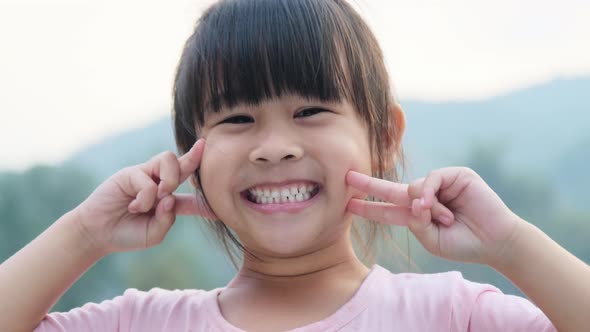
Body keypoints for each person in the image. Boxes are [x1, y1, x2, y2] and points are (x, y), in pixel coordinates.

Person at [1, 0, 588, 331]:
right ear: (190, 158)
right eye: (236, 119)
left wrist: (509, 243)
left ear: (384, 135)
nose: (273, 146)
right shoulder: (141, 324)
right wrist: (82, 234)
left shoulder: (453, 315)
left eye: (310, 110)